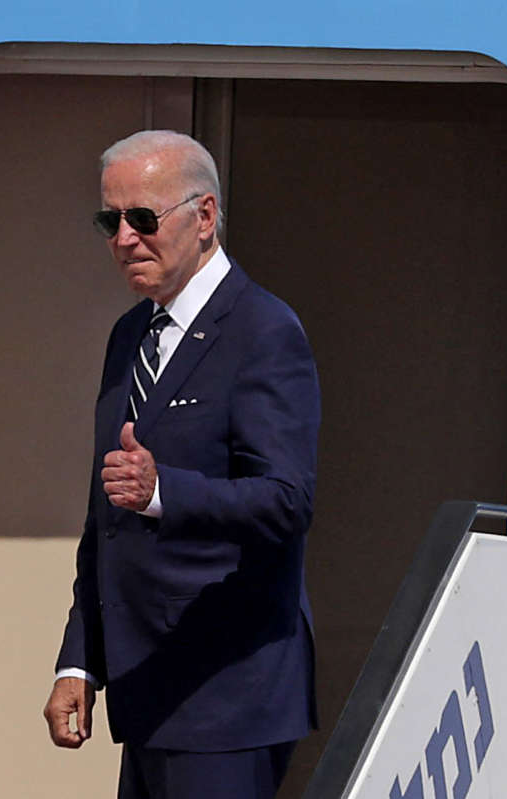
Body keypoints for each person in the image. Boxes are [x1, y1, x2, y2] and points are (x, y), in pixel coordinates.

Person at [42, 130, 321, 799]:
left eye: (143, 218)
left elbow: (286, 499)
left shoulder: (263, 331)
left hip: (227, 694)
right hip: (148, 692)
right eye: (110, 221)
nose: (124, 238)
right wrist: (81, 660)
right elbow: (105, 518)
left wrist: (165, 490)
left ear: (205, 217)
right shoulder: (130, 335)